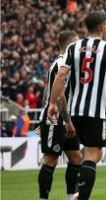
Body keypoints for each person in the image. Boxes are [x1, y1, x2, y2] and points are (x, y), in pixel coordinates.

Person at [47, 11, 106, 200]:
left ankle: (74, 194)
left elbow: (60, 76)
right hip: (96, 112)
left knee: (81, 157)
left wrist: (51, 103)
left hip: (73, 112)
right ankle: (81, 197)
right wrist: (104, 92)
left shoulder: (73, 47)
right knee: (92, 155)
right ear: (102, 27)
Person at [37, 30, 82, 200]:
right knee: (50, 160)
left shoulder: (60, 62)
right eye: (77, 44)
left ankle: (71, 197)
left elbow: (47, 91)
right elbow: (60, 94)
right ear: (71, 45)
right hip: (58, 119)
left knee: (76, 157)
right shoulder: (63, 63)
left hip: (64, 118)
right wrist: (67, 121)